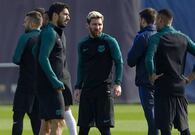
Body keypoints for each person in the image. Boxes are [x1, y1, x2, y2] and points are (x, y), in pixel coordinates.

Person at [145, 9, 195, 135]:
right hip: (180, 88)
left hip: (163, 87)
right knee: (184, 128)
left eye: (157, 20)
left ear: (161, 20)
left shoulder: (156, 38)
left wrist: (152, 75)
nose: (155, 23)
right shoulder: (183, 37)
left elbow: (148, 58)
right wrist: (190, 77)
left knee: (165, 128)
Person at [74, 11, 123, 135]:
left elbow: (119, 62)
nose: (98, 27)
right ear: (88, 25)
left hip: (104, 90)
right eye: (94, 24)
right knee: (83, 129)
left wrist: (118, 83)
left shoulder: (110, 41)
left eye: (100, 24)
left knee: (104, 128)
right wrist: (78, 87)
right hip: (87, 90)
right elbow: (81, 66)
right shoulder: (83, 44)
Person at [34, 6, 77, 135]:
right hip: (51, 87)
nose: (68, 17)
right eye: (65, 14)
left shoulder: (52, 32)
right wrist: (54, 80)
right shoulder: (50, 32)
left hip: (46, 85)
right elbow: (42, 57)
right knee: (58, 123)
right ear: (55, 15)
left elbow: (34, 51)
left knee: (46, 125)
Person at [127, 8, 158, 135]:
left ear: (143, 20)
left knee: (152, 120)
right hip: (163, 82)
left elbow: (131, 61)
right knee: (161, 119)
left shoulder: (142, 37)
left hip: (147, 82)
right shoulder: (162, 35)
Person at [12, 10, 42, 135]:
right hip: (41, 86)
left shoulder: (25, 37)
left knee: (18, 117)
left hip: (25, 85)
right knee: (37, 121)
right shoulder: (47, 37)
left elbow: (16, 59)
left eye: (25, 22)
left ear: (31, 23)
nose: (23, 25)